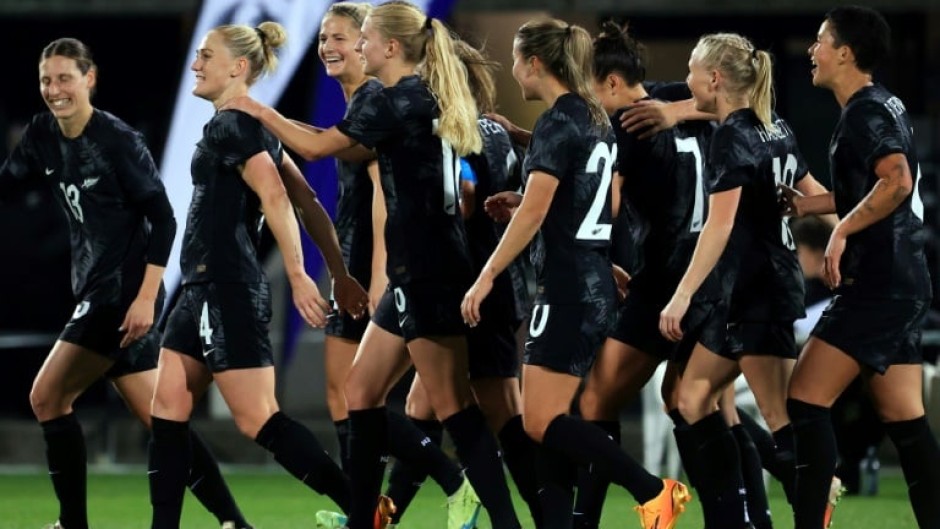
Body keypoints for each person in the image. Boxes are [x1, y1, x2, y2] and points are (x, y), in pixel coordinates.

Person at [223, 4, 521, 529]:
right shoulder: (420, 96)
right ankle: (365, 520)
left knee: (454, 407)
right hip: (419, 271)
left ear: (390, 48)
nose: (357, 47)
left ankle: (500, 518)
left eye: (363, 39)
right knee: (361, 394)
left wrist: (260, 110)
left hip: (427, 272)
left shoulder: (395, 99)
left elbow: (316, 148)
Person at [0, 37, 254, 529]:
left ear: (89, 79)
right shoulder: (42, 135)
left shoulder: (116, 140)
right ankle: (234, 522)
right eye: (46, 81)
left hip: (120, 293)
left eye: (65, 79)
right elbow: (6, 184)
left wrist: (144, 299)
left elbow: (163, 219)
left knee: (47, 397)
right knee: (164, 420)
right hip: (97, 288)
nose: (55, 90)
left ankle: (73, 523)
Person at [461, 18, 690, 529]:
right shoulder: (594, 117)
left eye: (518, 58)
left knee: (539, 421)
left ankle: (653, 490)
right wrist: (601, 261)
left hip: (565, 290)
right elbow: (589, 206)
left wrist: (486, 276)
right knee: (553, 424)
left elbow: (537, 210)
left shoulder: (560, 120)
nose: (514, 68)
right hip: (592, 281)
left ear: (535, 62)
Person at [147, 21, 370, 529]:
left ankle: (362, 508)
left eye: (206, 55)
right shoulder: (248, 125)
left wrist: (299, 275)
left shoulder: (236, 125)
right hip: (201, 287)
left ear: (238, 67)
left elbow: (276, 199)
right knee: (167, 412)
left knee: (258, 419)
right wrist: (338, 270)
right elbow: (307, 199)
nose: (196, 64)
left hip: (226, 287)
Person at [310, 5, 483, 529]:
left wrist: (382, 279)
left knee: (371, 398)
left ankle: (454, 486)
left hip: (389, 275)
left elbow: (394, 198)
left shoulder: (381, 106)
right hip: (373, 272)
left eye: (344, 36)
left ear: (379, 46)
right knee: (360, 399)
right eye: (323, 37)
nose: (330, 46)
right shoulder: (375, 105)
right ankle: (369, 512)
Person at [658, 32, 828, 528]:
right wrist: (845, 235)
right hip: (749, 292)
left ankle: (814, 505)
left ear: (714, 78)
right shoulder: (773, 126)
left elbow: (721, 223)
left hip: (760, 289)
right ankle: (734, 519)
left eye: (692, 70)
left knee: (779, 419)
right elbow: (812, 189)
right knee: (689, 399)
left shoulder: (733, 135)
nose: (687, 81)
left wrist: (681, 295)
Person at [781, 6, 940, 528]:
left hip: (878, 282)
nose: (812, 50)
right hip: (904, 280)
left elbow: (896, 182)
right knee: (905, 420)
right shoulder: (884, 103)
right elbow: (871, 187)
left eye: (821, 40)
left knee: (804, 399)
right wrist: (807, 207)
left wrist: (841, 231)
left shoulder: (864, 112)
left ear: (845, 52)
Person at [381, 38, 541, 529]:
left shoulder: (456, 132)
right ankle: (379, 518)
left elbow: (465, 191)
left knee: (495, 412)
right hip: (499, 282)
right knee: (422, 405)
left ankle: (544, 514)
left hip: (469, 282)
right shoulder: (498, 129)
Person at [566, 21, 717, 529]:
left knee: (594, 399)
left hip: (663, 282)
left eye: (587, 86)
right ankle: (764, 492)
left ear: (610, 83)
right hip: (711, 275)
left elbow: (602, 203)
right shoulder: (677, 98)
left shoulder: (624, 127)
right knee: (693, 402)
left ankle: (637, 503)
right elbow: (736, 102)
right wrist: (675, 111)